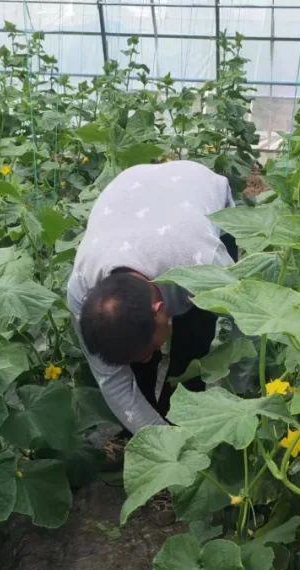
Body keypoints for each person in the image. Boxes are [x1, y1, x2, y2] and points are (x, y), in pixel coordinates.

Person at [66, 160, 238, 435]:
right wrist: (163, 443)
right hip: (130, 187)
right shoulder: (81, 289)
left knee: (194, 343)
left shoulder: (205, 263)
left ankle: (189, 418)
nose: (147, 358)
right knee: (134, 358)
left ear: (160, 310)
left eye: (149, 351)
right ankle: (155, 426)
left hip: (194, 184)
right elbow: (113, 382)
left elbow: (246, 319)